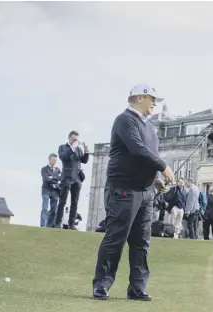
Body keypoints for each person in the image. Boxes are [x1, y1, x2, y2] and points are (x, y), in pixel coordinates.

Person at [92, 84, 174, 302]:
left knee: (141, 242)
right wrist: (164, 167)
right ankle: (102, 284)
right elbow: (137, 149)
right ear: (139, 97)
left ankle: (137, 287)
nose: (155, 103)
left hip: (146, 192)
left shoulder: (150, 128)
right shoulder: (125, 120)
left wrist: (155, 180)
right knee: (116, 237)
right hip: (123, 189)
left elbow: (146, 156)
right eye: (152, 99)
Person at [54, 131, 90, 230]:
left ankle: (71, 224)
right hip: (67, 177)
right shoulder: (63, 147)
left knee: (75, 202)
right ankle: (58, 223)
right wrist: (72, 148)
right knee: (62, 201)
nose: (75, 141)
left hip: (77, 178)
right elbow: (63, 157)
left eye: (76, 140)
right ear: (69, 138)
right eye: (73, 139)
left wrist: (86, 151)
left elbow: (84, 161)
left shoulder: (79, 149)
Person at [41, 153, 61, 227]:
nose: (54, 162)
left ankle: (49, 225)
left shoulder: (58, 170)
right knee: (45, 208)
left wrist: (51, 178)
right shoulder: (44, 169)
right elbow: (46, 179)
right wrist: (55, 179)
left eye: (55, 160)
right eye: (53, 160)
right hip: (46, 190)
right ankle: (43, 224)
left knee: (54, 210)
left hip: (55, 191)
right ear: (49, 159)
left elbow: (60, 179)